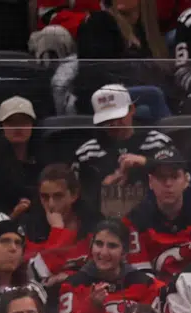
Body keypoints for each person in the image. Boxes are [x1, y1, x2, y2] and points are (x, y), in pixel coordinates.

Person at [54, 219, 167, 313]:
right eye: (99, 244)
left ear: (124, 252)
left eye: (112, 246)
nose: (103, 252)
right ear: (91, 247)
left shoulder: (145, 285)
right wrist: (91, 307)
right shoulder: (73, 285)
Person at [72, 84, 174, 218]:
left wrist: (147, 162)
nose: (114, 124)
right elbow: (78, 202)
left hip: (153, 222)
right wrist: (101, 189)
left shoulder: (158, 143)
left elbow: (179, 175)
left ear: (131, 109)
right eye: (107, 119)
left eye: (118, 117)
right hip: (104, 222)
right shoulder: (86, 153)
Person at [74, 0, 173, 122]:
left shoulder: (147, 33)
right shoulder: (99, 21)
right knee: (153, 95)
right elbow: (94, 74)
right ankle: (174, 133)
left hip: (138, 99)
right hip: (105, 100)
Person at [126, 147, 191, 282]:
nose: (168, 184)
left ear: (186, 180)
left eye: (174, 176)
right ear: (150, 182)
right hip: (156, 291)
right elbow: (141, 276)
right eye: (161, 177)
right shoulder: (136, 220)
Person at [22, 164, 97, 287]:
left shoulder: (92, 226)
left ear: (74, 195)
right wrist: (58, 231)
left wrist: (70, 277)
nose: (51, 204)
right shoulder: (32, 230)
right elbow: (33, 276)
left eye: (58, 196)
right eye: (45, 197)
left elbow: (105, 271)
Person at [0, 97, 45, 218]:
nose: (18, 128)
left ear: (32, 125)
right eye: (12, 123)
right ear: (2, 126)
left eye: (24, 122)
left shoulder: (44, 156)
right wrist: (12, 215)